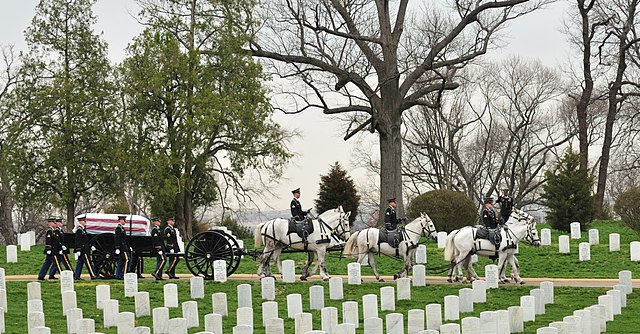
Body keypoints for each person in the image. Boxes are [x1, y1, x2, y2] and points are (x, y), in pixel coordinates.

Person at [73, 215, 98, 280]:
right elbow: (77, 241)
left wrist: (90, 246)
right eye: (84, 221)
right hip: (83, 249)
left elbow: (86, 241)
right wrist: (77, 249)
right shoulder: (79, 230)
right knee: (88, 262)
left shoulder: (83, 230)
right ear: (80, 222)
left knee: (80, 263)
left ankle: (76, 276)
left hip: (84, 248)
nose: (85, 222)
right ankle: (93, 275)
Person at [114, 215, 129, 279]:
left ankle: (118, 275)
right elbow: (117, 238)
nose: (125, 221)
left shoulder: (121, 228)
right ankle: (124, 274)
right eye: (124, 220)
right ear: (120, 220)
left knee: (121, 261)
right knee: (127, 260)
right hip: (122, 247)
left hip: (123, 246)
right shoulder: (118, 228)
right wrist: (117, 247)